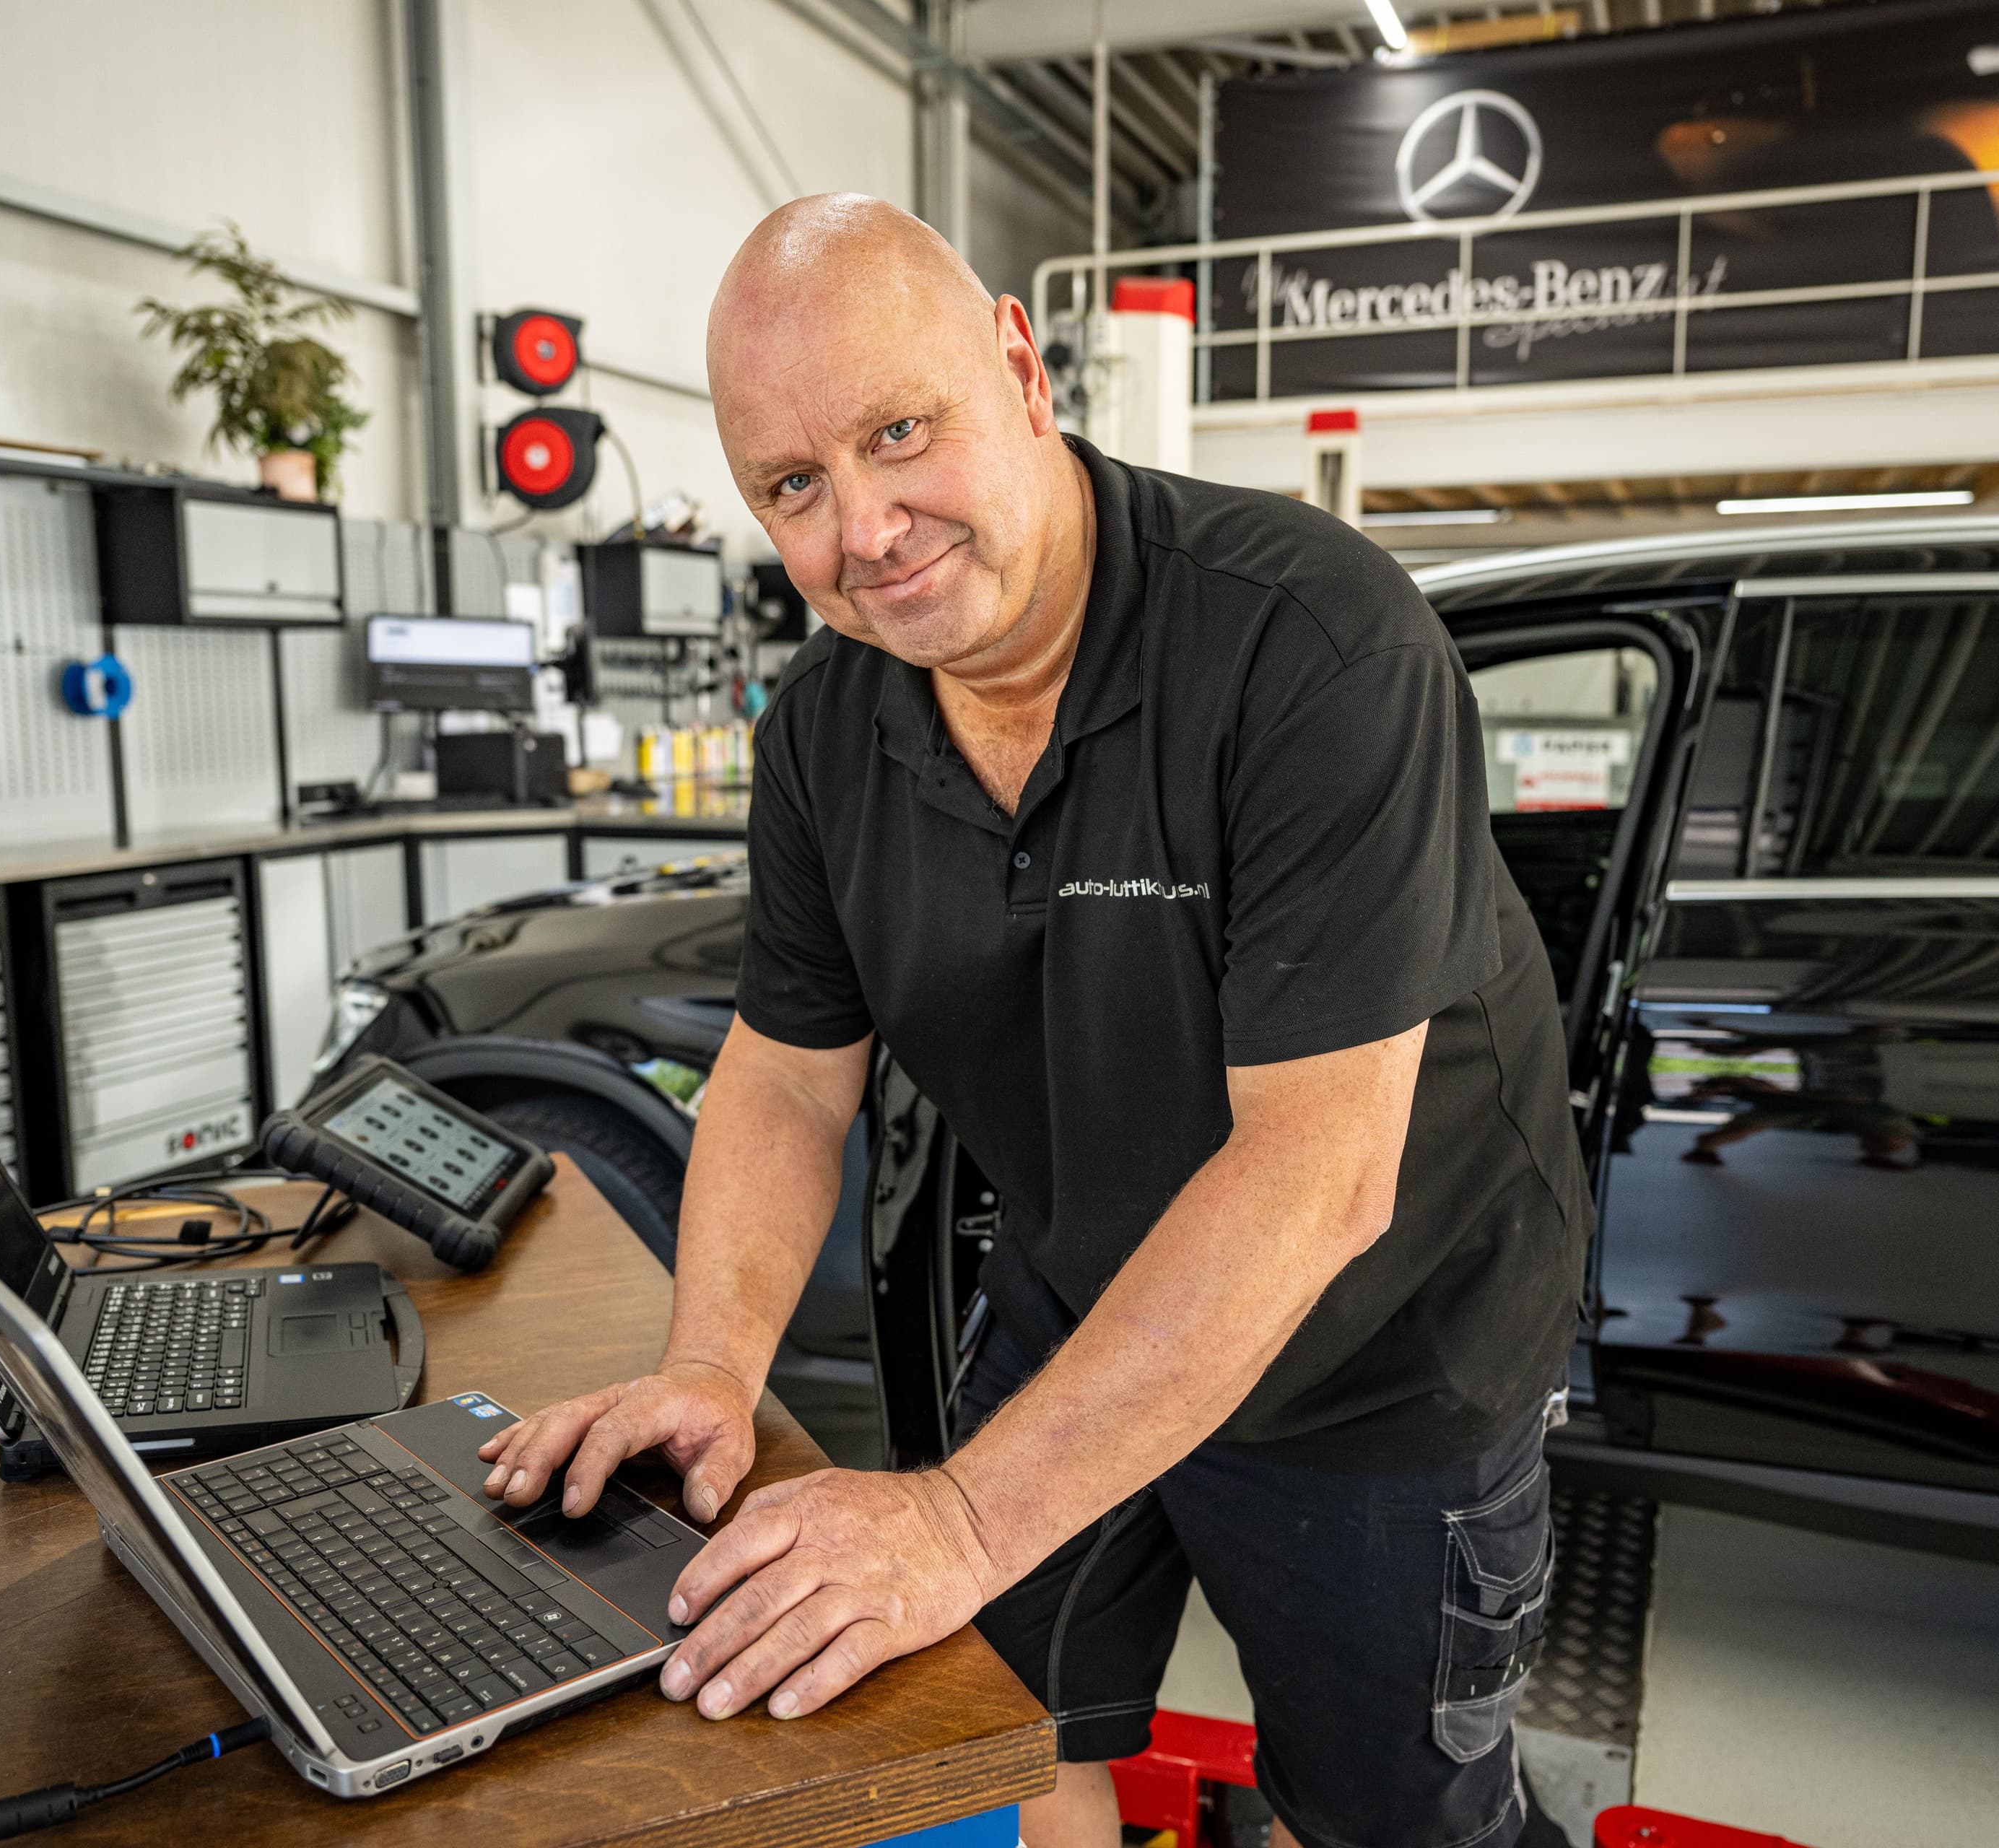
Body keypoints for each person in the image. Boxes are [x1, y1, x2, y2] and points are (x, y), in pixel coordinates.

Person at [476, 195, 1590, 1848]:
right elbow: (784, 1081)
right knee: (993, 1740)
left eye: (897, 431)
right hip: (1078, 1300)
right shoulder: (823, 734)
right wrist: (711, 1363)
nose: (865, 529)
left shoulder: (1312, 643)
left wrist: (960, 1520)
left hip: (1385, 1357)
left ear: (1020, 365)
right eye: (793, 485)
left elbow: (1316, 1175)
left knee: (1377, 1818)